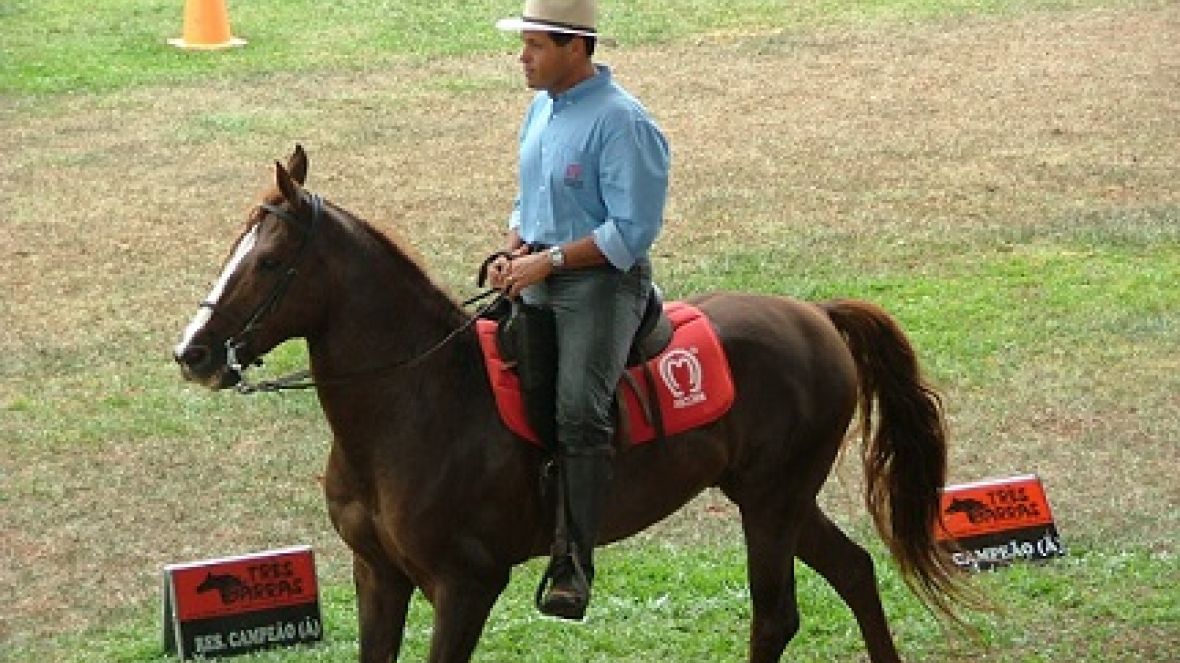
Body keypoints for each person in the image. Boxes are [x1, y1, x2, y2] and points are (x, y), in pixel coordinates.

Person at [489, 0, 671, 621]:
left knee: (578, 409)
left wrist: (549, 264)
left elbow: (630, 232)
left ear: (575, 46)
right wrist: (512, 251)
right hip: (536, 272)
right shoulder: (540, 109)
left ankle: (573, 564)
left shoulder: (623, 124)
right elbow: (528, 198)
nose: (522, 57)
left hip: (603, 286)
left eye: (535, 45)